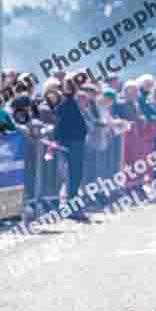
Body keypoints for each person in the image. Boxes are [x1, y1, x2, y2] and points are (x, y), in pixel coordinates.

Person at [54, 75, 89, 221]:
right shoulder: (64, 102)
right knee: (73, 174)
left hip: (76, 141)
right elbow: (63, 123)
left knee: (76, 174)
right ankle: (71, 207)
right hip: (70, 142)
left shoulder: (71, 101)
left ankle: (73, 204)